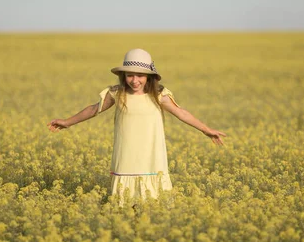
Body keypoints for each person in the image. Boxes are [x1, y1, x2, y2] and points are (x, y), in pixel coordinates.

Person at [47, 48, 226, 202]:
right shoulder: (116, 93)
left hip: (151, 155)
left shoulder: (159, 95)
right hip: (126, 154)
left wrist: (206, 130)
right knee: (126, 202)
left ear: (149, 77)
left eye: (140, 75)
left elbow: (181, 113)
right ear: (123, 76)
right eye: (130, 75)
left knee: (153, 202)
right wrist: (67, 122)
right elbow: (94, 109)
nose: (135, 80)